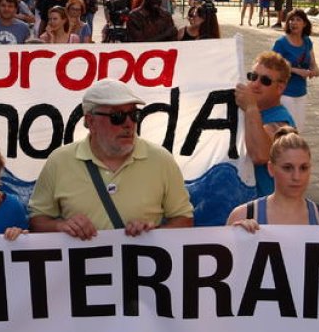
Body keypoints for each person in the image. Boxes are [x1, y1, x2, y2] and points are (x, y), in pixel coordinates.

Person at [28, 79, 194, 239]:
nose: (129, 124)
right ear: (90, 121)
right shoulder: (59, 161)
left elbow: (184, 220)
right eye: (118, 116)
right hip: (80, 267)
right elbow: (37, 222)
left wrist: (152, 233)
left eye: (134, 115)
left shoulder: (161, 160)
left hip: (143, 265)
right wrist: (61, 226)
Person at [226, 128, 319, 230]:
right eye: (287, 168)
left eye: (303, 168)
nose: (296, 177)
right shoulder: (242, 215)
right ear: (271, 169)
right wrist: (238, 237)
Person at [237, 51, 296, 198]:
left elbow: (260, 155)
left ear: (280, 88)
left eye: (265, 81)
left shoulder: (283, 122)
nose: (256, 84)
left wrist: (251, 107)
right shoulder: (244, 109)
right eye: (253, 76)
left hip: (264, 210)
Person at [272, 9, 319, 130]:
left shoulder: (307, 41)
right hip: (285, 93)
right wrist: (296, 71)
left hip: (301, 92)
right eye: (291, 20)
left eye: (298, 20)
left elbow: (313, 62)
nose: (294, 22)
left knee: (299, 128)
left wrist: (315, 70)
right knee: (287, 130)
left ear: (304, 24)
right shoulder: (281, 43)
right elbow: (273, 65)